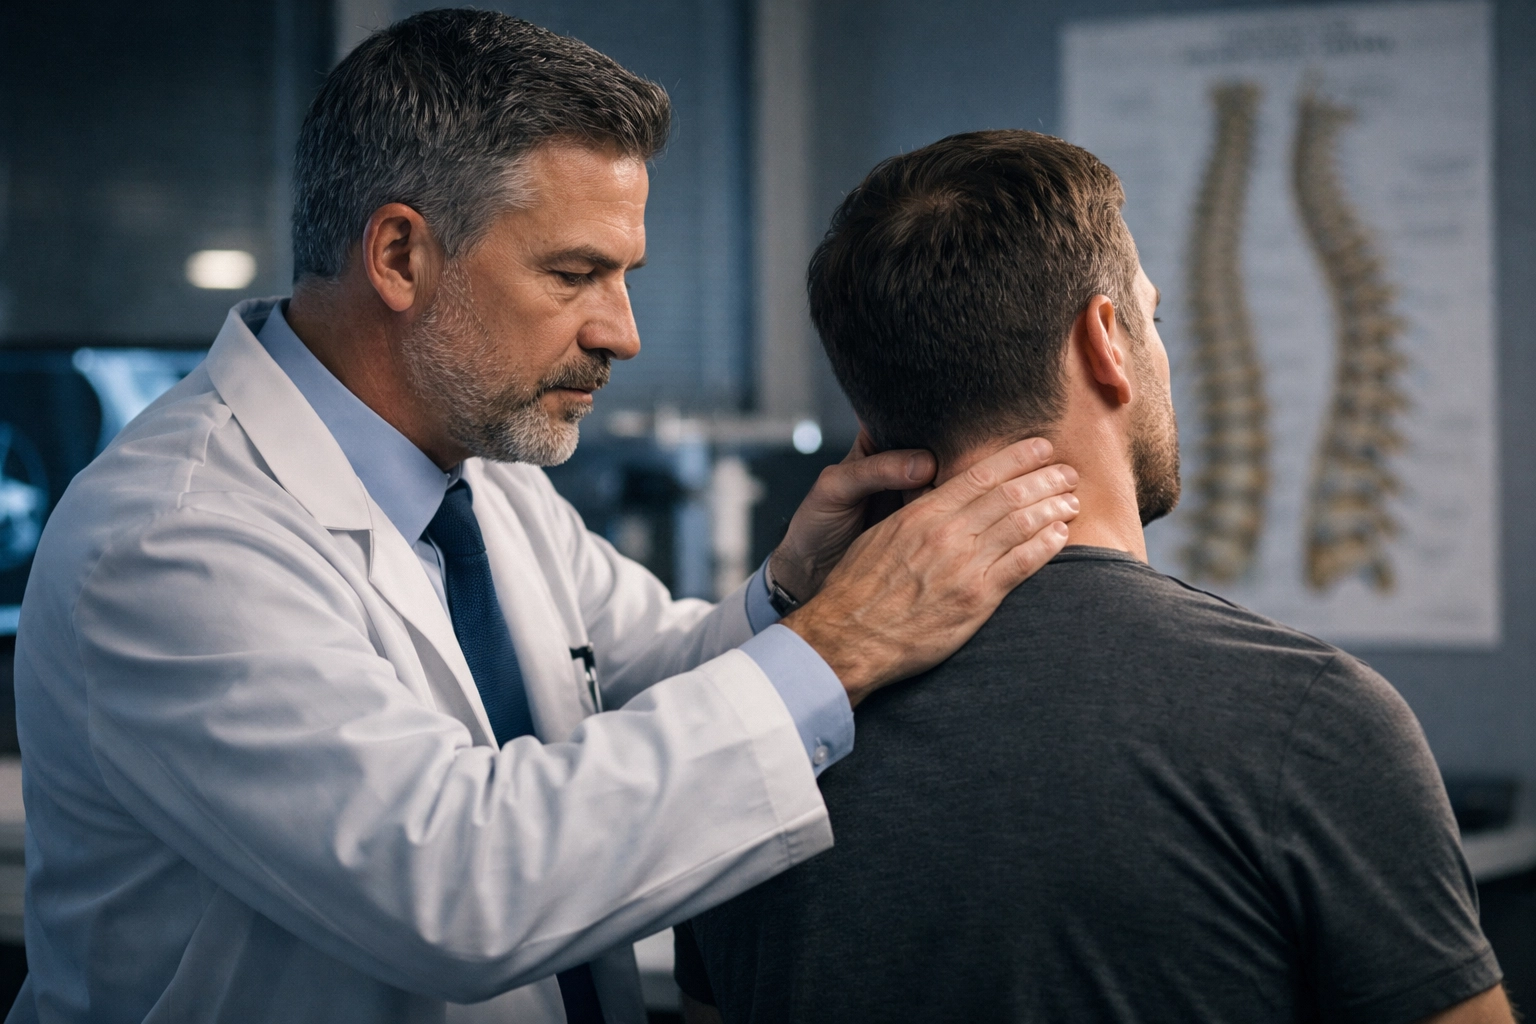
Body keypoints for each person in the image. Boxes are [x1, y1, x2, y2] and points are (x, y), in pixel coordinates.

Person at [7, 16, 1083, 1024]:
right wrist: (844, 644)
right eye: (576, 274)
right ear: (399, 257)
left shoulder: (486, 477)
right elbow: (455, 884)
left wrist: (797, 589)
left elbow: (645, 678)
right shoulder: (171, 539)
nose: (623, 332)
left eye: (625, 276)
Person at [674, 129, 1513, 1024]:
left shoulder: (735, 757)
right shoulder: (1312, 719)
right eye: (1151, 319)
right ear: (1106, 341)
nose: (1162, 354)